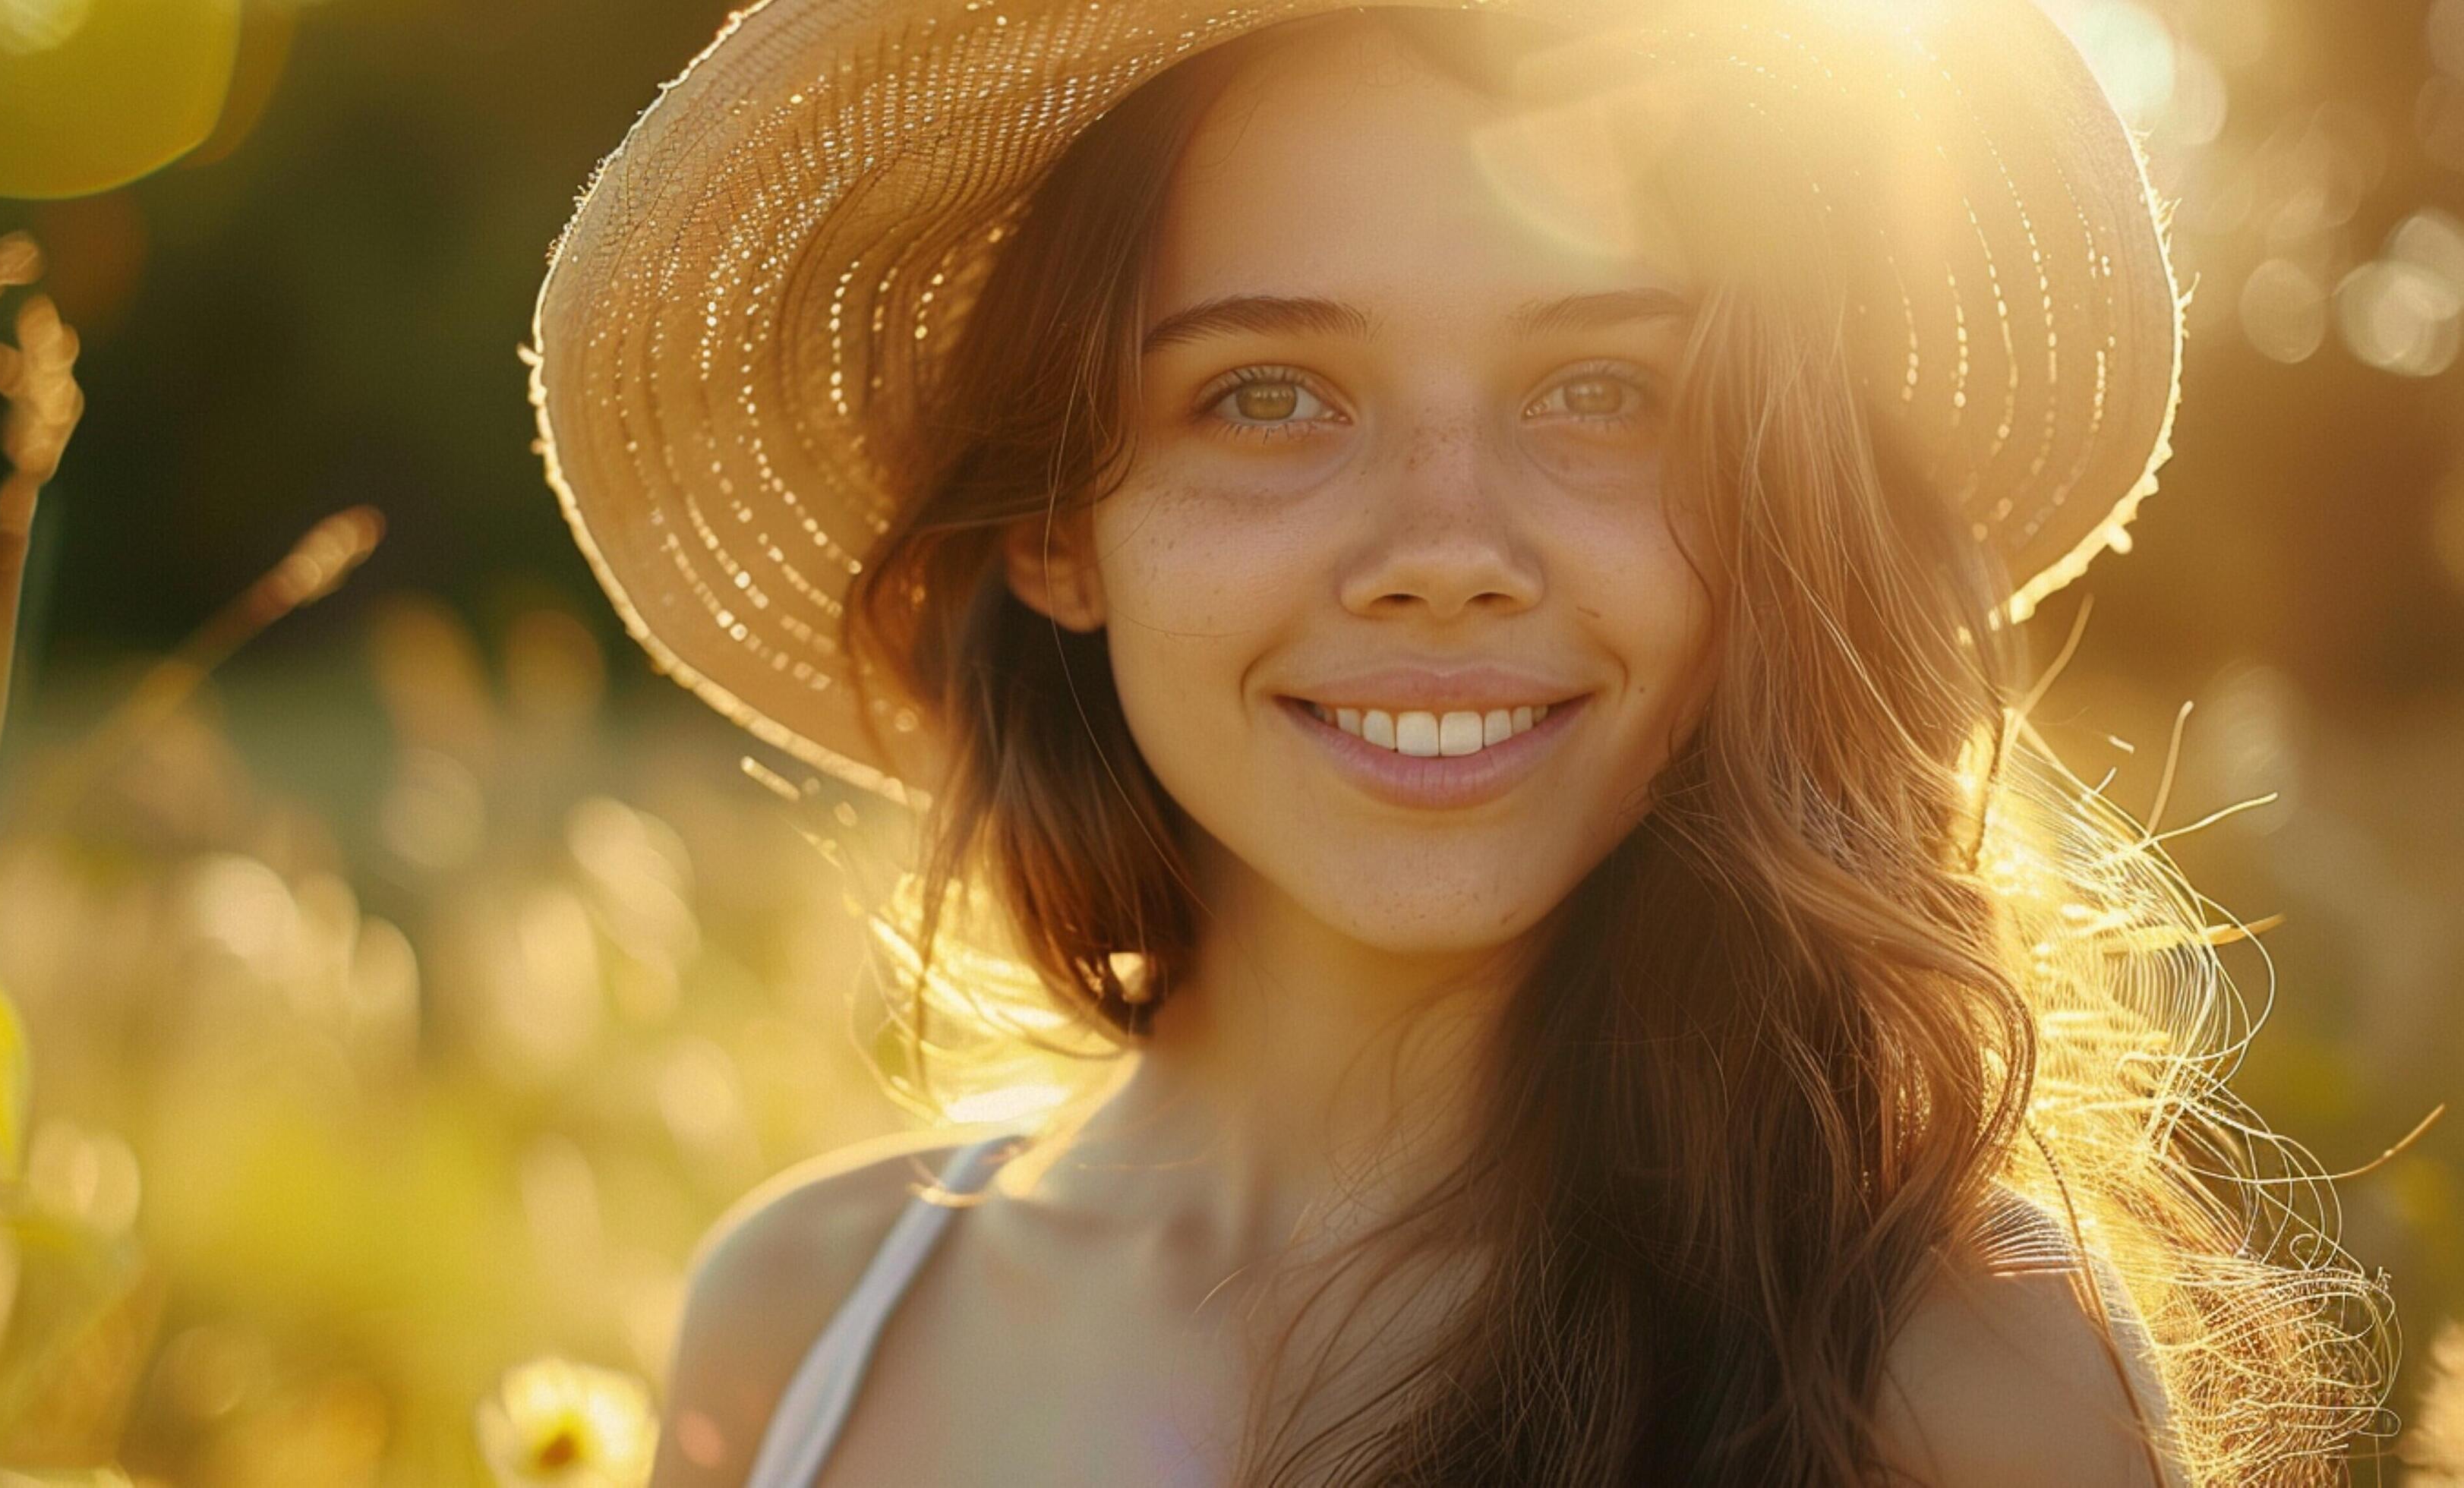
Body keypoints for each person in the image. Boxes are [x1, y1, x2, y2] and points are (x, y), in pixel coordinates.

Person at [526, 1, 2390, 1482]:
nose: (1444, 551)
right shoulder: (797, 1326)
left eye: (1600, 392)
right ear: (1055, 531)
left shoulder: (1959, 1383)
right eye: (1267, 395)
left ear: (1768, 514)